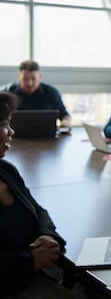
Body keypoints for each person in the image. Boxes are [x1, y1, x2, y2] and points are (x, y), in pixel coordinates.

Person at [0, 92, 72, 298]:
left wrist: (47, 235)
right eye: (5, 125)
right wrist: (31, 261)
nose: (11, 131)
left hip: (32, 279)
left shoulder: (6, 170)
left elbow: (39, 211)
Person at [1, 60, 71, 131]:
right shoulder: (7, 92)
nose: (29, 83)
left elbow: (65, 115)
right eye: (25, 79)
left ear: (40, 77)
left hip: (46, 138)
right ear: (19, 76)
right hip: (12, 137)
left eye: (33, 79)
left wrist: (65, 123)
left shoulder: (52, 93)